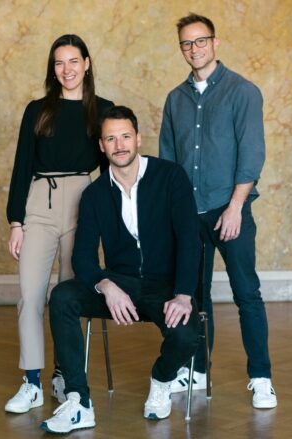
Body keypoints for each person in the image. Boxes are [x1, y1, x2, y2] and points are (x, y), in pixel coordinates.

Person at [40, 106, 200, 434]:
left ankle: (162, 380)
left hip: (163, 286)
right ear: (102, 146)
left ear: (138, 138)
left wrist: (183, 295)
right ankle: (78, 402)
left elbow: (189, 240)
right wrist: (105, 285)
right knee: (62, 297)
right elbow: (83, 256)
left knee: (186, 333)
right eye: (111, 139)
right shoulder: (96, 194)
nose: (120, 144)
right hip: (119, 286)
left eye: (125, 136)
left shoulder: (171, 177)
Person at [159, 13, 277, 409]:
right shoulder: (175, 100)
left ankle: (261, 377)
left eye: (200, 41)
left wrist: (235, 207)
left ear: (215, 42)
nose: (194, 49)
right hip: (189, 216)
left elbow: (252, 154)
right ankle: (195, 369)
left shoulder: (242, 92)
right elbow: (168, 163)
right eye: (187, 44)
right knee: (193, 296)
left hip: (231, 211)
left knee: (247, 294)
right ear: (182, 49)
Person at [4, 34, 114, 414]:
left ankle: (64, 375)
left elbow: (113, 169)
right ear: (53, 69)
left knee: (67, 296)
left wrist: (109, 221)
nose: (66, 70)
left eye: (73, 61)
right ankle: (31, 381)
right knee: (31, 295)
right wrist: (15, 221)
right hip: (39, 200)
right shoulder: (37, 110)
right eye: (58, 63)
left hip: (82, 203)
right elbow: (21, 166)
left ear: (86, 63)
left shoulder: (102, 109)